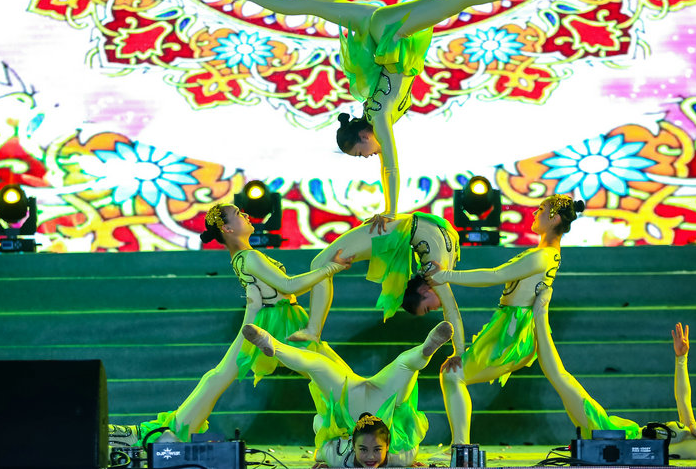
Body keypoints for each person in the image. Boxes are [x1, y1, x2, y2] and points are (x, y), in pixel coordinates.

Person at [209, 0, 558, 218]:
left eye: (361, 153)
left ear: (363, 135)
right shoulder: (371, 110)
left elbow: (390, 166)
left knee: (456, 1)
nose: (367, 157)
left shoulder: (378, 117)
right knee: (312, 4)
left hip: (389, 33)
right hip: (373, 28)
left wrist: (390, 211)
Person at [132, 203, 354, 445]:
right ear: (227, 228)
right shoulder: (250, 257)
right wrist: (330, 268)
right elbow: (289, 286)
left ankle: (174, 432)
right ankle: (356, 430)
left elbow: (268, 295)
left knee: (219, 376)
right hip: (281, 322)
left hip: (269, 318)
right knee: (338, 377)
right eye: (238, 214)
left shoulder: (240, 258)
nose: (246, 214)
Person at [424, 194, 581, 446]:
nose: (534, 213)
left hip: (513, 333)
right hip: (509, 325)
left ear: (555, 219)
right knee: (452, 375)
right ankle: (460, 446)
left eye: (541, 209)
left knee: (453, 376)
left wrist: (446, 275)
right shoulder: (545, 254)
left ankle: (460, 447)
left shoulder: (543, 256)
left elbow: (495, 275)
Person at [242, 320, 454, 467]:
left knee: (317, 365)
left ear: (352, 444)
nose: (370, 457)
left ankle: (274, 345)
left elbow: (320, 425)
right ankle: (425, 349)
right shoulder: (401, 458)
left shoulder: (337, 459)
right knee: (405, 366)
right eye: (374, 450)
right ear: (387, 446)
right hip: (384, 402)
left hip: (351, 400)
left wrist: (322, 457)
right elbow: (319, 424)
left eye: (366, 450)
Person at [532, 287, 696, 459]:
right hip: (613, 430)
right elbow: (683, 397)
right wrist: (681, 358)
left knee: (561, 377)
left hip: (615, 440)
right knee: (561, 378)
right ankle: (539, 316)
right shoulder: (690, 427)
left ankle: (540, 315)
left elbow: (654, 453)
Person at [286, 212, 466, 373]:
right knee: (320, 264)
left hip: (405, 228)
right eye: (427, 308)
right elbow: (451, 311)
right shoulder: (435, 275)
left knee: (322, 265)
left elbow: (450, 310)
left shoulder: (441, 269)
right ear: (424, 290)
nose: (435, 309)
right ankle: (313, 330)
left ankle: (313, 330)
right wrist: (458, 352)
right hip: (396, 230)